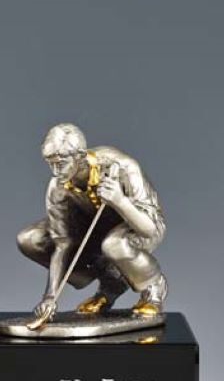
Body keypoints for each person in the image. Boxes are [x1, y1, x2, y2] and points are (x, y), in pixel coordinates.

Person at [17, 123, 167, 328]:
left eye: (61, 163)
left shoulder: (121, 167)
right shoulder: (58, 186)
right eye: (50, 163)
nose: (55, 170)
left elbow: (149, 228)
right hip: (96, 234)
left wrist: (120, 201)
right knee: (30, 239)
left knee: (113, 244)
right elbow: (62, 243)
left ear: (79, 156)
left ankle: (153, 285)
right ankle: (111, 283)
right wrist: (50, 297)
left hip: (136, 225)